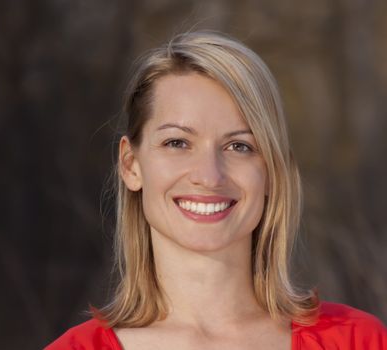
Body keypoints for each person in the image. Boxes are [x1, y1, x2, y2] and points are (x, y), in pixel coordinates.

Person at [46, 31, 387, 349]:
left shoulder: (357, 340)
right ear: (131, 165)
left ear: (271, 170)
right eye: (177, 142)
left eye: (239, 146)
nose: (209, 176)